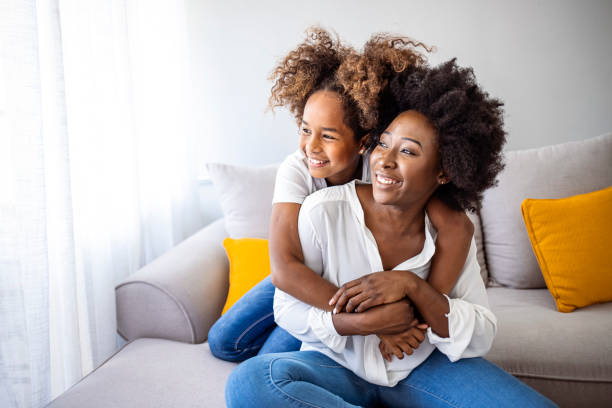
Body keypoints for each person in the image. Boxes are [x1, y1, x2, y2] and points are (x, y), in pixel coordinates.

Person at [225, 59, 557, 407]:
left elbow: (480, 332)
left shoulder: (447, 229)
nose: (384, 160)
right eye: (385, 144)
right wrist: (370, 321)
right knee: (251, 381)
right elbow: (287, 292)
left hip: (419, 366)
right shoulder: (320, 207)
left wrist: (413, 288)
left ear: (444, 171)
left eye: (409, 151)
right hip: (334, 361)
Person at [208, 27, 474, 364]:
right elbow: (286, 271)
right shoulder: (297, 169)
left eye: (328, 136)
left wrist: (416, 311)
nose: (311, 147)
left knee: (268, 362)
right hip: (304, 277)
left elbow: (458, 228)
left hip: (344, 282)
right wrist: (374, 321)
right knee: (223, 342)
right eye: (305, 129)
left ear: (363, 141)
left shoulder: (382, 169)